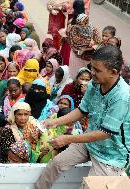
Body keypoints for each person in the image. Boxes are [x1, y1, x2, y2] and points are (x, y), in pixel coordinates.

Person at [35, 46, 130, 189]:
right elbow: (82, 110)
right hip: (89, 143)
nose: (92, 73)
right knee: (56, 164)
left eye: (97, 70)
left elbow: (105, 133)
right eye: (92, 68)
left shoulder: (122, 96)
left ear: (113, 72)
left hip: (111, 155)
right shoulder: (94, 83)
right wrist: (55, 122)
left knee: (88, 186)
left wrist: (67, 139)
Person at [67, 13, 101, 78]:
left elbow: (99, 43)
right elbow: (73, 40)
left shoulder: (93, 29)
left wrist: (87, 49)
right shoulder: (74, 29)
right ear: (78, 22)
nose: (85, 24)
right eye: (82, 22)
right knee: (74, 74)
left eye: (86, 21)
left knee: (84, 75)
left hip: (87, 59)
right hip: (75, 57)